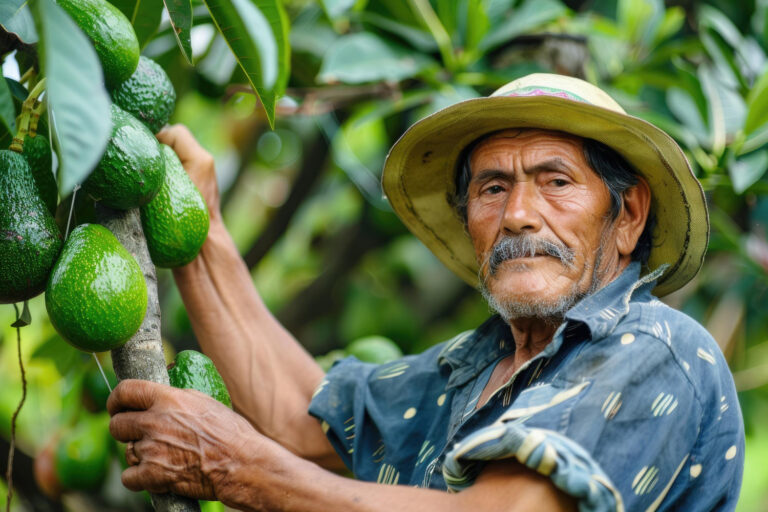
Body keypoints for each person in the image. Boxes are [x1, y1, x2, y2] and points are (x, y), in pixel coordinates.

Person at [107, 73, 744, 511]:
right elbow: (301, 413)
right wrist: (199, 233)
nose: (518, 214)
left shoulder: (658, 350)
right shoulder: (469, 369)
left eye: (555, 181)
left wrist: (235, 468)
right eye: (493, 188)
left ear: (627, 215)